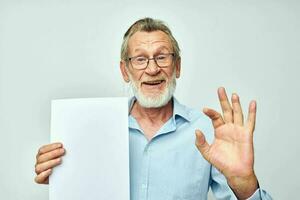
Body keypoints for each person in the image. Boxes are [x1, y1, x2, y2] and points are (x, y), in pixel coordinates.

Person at [34, 18, 272, 199]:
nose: (152, 69)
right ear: (125, 71)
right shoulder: (91, 129)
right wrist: (63, 177)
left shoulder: (207, 132)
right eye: (140, 59)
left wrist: (245, 182)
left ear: (177, 66)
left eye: (162, 57)